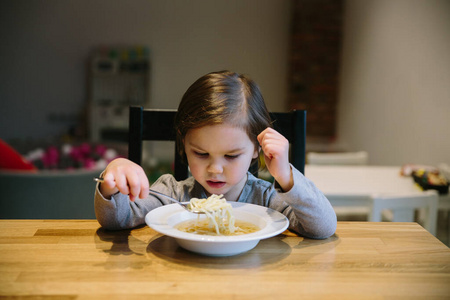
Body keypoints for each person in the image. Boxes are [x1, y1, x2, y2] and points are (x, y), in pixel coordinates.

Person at [94, 70, 336, 239]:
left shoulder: (267, 200)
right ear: (184, 144)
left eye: (231, 156)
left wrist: (286, 175)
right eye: (200, 153)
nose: (215, 169)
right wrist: (112, 179)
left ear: (255, 148)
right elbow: (116, 220)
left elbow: (322, 228)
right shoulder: (172, 195)